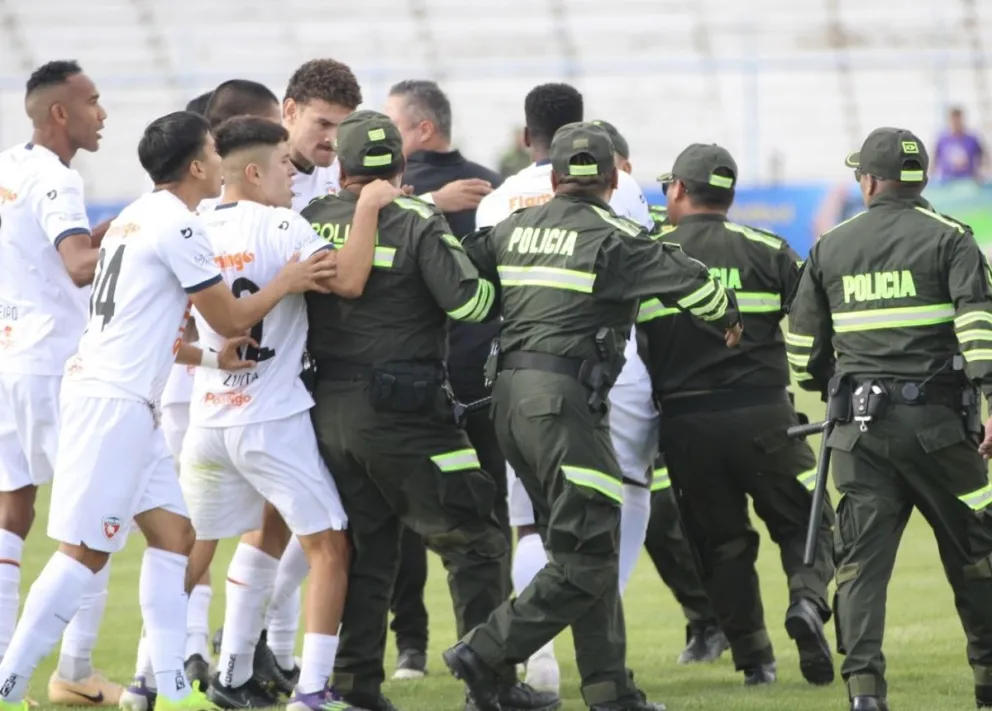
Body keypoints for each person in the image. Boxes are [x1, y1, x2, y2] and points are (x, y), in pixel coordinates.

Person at [0, 109, 334, 711]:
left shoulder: (136, 215)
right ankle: (7, 686)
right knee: (84, 552)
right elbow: (232, 315)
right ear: (198, 166)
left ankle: (175, 692)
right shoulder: (180, 226)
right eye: (211, 148)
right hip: (113, 405)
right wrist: (288, 280)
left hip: (127, 402)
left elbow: (144, 323)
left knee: (174, 536)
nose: (219, 158)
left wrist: (209, 358)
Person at [446, 121, 742, 711]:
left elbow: (463, 287)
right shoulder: (617, 237)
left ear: (554, 178)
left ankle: (609, 690)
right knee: (587, 553)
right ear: (613, 179)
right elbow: (697, 285)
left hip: (509, 405)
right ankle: (485, 651)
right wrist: (728, 317)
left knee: (582, 548)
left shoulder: (512, 228)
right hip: (564, 407)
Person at [301, 110, 558, 711]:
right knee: (478, 540)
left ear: (341, 167)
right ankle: (491, 683)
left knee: (367, 549)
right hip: (407, 414)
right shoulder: (416, 219)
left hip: (329, 410)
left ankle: (357, 686)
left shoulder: (309, 218)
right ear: (400, 164)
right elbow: (471, 306)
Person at [176, 116, 398, 711]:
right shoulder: (282, 225)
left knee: (219, 544)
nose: (293, 176)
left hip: (207, 419)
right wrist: (369, 208)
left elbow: (173, 331)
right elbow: (349, 280)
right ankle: (314, 690)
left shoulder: (193, 226)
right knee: (330, 547)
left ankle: (191, 676)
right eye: (283, 164)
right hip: (269, 419)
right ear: (253, 172)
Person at [788, 127, 992, 711]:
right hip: (942, 433)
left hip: (859, 436)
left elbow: (802, 354)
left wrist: (834, 383)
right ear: (921, 179)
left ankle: (865, 693)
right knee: (978, 557)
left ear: (870, 182)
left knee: (858, 568)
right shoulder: (952, 238)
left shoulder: (830, 246)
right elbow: (979, 327)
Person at [472, 84, 654, 694]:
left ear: (529, 139)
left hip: (523, 376)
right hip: (607, 372)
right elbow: (646, 269)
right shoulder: (622, 188)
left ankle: (546, 663)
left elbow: (481, 295)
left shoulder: (497, 202)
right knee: (614, 510)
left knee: (534, 525)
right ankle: (590, 667)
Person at [640, 142, 836, 687]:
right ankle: (807, 601)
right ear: (728, 195)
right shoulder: (768, 249)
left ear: (679, 190)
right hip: (767, 419)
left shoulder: (649, 255)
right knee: (806, 521)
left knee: (720, 546)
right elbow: (817, 323)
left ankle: (755, 662)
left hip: (685, 428)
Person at [0, 59, 124, 708]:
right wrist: (138, 241)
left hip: (9, 354)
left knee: (11, 514)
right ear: (60, 112)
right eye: (93, 101)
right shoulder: (58, 177)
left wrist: (100, 240)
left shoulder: (9, 166)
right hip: (54, 361)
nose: (102, 114)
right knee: (92, 520)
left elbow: (45, 256)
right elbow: (79, 266)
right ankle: (72, 670)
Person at [588, 120, 729, 664]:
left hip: (657, 386)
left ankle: (710, 620)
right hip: (617, 386)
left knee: (668, 518)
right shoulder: (604, 222)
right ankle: (705, 620)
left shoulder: (647, 223)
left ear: (623, 167)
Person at [383, 78, 506, 681]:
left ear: (424, 128)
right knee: (483, 512)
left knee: (412, 513)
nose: (384, 138)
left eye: (393, 125)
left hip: (437, 379)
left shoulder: (392, 193)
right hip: (469, 378)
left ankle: (419, 645)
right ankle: (488, 644)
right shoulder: (485, 185)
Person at [932, 107, 985, 182]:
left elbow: (983, 158)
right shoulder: (942, 140)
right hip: (947, 181)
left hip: (967, 180)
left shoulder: (972, 140)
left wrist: (980, 173)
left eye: (958, 120)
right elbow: (934, 160)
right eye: (953, 120)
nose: (956, 123)